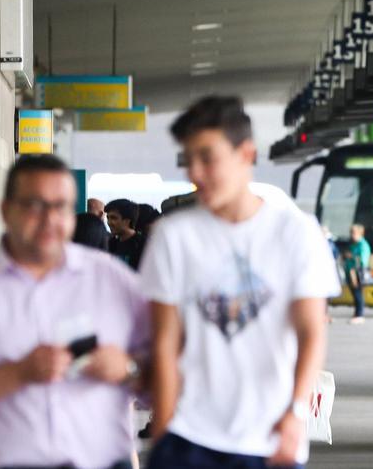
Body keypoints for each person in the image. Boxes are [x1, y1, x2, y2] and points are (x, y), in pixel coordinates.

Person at [0, 154, 149, 469]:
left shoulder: (113, 281)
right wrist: (15, 373)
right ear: (6, 210)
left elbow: (167, 368)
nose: (49, 219)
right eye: (35, 205)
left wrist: (128, 369)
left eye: (60, 207)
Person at [140, 96, 339, 469]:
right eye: (189, 159)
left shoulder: (296, 234)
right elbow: (164, 342)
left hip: (269, 437)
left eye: (208, 158)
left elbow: (311, 332)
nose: (195, 173)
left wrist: (295, 413)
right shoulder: (173, 236)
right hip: (188, 436)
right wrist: (163, 430)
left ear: (246, 154)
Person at [106, 198, 147, 270]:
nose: (109, 222)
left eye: (113, 218)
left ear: (127, 221)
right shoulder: (111, 244)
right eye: (108, 218)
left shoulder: (144, 245)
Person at [340, 246, 365, 325]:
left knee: (358, 295)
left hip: (355, 274)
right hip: (351, 274)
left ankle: (359, 315)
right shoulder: (353, 245)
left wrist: (354, 279)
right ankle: (357, 314)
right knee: (355, 295)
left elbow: (361, 262)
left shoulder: (361, 245)